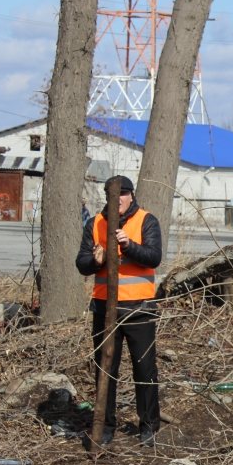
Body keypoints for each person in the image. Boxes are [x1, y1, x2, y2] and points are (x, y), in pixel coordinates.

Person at [75, 175, 162, 446]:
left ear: (131, 195)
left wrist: (129, 245)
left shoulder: (146, 220)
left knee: (144, 368)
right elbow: (82, 263)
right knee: (106, 368)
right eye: (114, 195)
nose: (119, 199)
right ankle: (105, 425)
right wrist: (96, 260)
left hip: (139, 309)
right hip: (105, 309)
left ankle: (149, 426)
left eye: (123, 194)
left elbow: (154, 257)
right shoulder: (95, 223)